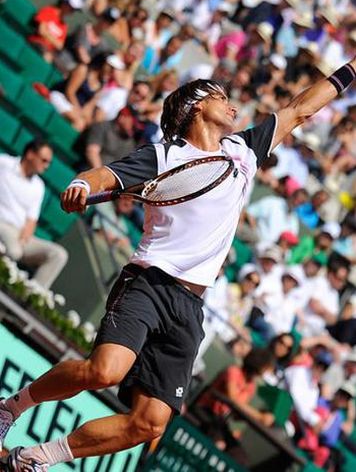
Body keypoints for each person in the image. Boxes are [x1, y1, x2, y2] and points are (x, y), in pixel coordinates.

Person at [0, 57, 355, 470]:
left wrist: (350, 69)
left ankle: (33, 458)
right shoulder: (164, 156)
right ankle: (10, 407)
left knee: (149, 424)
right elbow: (103, 175)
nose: (233, 106)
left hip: (190, 306)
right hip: (149, 283)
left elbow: (299, 109)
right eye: (221, 97)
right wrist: (81, 183)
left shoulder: (243, 150)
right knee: (104, 371)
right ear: (196, 106)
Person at [0, 140, 68, 290]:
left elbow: (31, 220)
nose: (47, 166)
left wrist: (24, 239)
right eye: (44, 160)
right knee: (14, 251)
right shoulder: (3, 163)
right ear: (30, 154)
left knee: (58, 255)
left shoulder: (39, 186)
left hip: (20, 235)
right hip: (2, 224)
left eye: (49, 162)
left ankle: (30, 296)